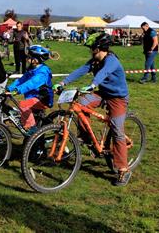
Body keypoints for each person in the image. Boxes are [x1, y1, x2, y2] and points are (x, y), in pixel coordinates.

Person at [53, 33, 131, 186]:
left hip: (117, 98)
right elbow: (81, 70)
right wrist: (63, 82)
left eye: (92, 48)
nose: (91, 51)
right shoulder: (95, 61)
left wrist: (93, 84)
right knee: (80, 103)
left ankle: (123, 169)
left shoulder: (111, 61)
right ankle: (89, 140)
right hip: (102, 93)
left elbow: (104, 73)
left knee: (117, 131)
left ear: (99, 48)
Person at [7, 45, 53, 135]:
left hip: (44, 99)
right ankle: (31, 132)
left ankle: (33, 130)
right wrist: (9, 87)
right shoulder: (32, 69)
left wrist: (18, 90)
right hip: (34, 98)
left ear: (36, 59)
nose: (27, 58)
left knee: (23, 105)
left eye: (29, 57)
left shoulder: (43, 71)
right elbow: (21, 80)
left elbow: (32, 83)